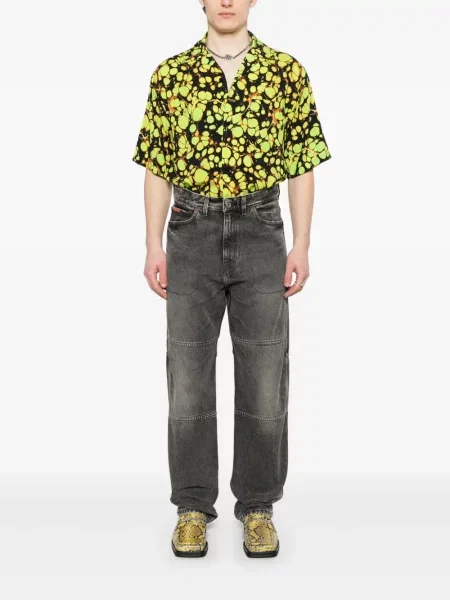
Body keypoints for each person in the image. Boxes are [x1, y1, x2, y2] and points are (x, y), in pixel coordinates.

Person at [132, 0, 332, 558]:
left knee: (265, 378)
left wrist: (301, 242)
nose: (226, 1)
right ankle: (192, 507)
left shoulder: (286, 71)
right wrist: (153, 243)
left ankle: (259, 507)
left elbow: (302, 164)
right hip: (190, 230)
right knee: (188, 379)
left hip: (261, 229)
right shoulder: (171, 74)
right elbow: (157, 166)